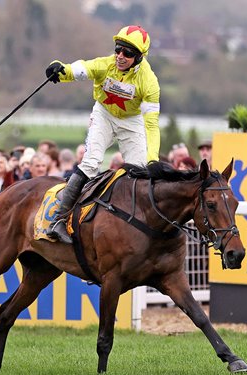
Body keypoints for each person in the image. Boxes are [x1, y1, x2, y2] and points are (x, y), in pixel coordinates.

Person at [45, 25, 161, 243]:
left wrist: (153, 158)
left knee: (140, 171)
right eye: (118, 49)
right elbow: (80, 69)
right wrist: (60, 71)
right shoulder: (105, 64)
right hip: (104, 115)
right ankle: (59, 220)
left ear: (139, 57)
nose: (120, 56)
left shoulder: (149, 81)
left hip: (132, 121)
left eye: (128, 53)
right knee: (91, 162)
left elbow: (152, 125)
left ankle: (136, 225)